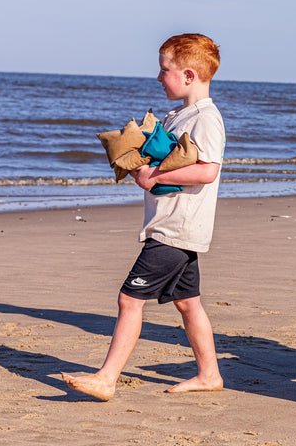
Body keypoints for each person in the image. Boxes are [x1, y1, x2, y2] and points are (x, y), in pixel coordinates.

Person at [63, 33, 226, 401]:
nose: (158, 77)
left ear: (188, 75)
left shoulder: (206, 118)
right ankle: (210, 374)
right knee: (188, 302)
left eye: (163, 70)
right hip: (174, 225)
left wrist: (156, 177)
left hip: (175, 228)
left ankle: (106, 379)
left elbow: (207, 170)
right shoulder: (177, 114)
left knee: (128, 300)